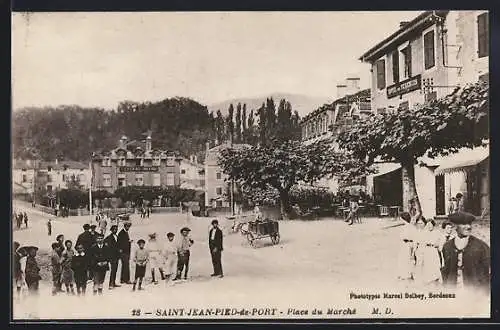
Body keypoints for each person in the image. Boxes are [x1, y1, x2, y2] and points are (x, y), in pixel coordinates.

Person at [442, 212, 490, 293]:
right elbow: (446, 272)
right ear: (455, 227)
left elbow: (486, 275)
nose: (468, 227)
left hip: (474, 294)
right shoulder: (447, 246)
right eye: (464, 224)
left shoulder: (481, 246)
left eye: (469, 224)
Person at [414, 219, 442, 285]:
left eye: (431, 224)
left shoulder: (437, 232)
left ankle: (436, 278)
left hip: (433, 249)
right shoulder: (424, 233)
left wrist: (438, 243)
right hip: (427, 250)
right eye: (428, 225)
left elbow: (442, 239)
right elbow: (420, 242)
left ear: (433, 225)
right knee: (427, 264)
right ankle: (428, 279)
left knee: (435, 263)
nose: (429, 226)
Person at [397, 212, 416, 281]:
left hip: (407, 244)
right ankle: (405, 273)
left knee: (407, 258)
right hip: (406, 244)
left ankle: (407, 274)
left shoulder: (406, 227)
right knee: (405, 258)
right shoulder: (410, 227)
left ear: (403, 219)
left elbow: (403, 237)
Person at [104, 225, 121, 289]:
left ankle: (113, 283)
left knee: (115, 270)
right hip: (112, 256)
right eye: (114, 229)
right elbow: (108, 246)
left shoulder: (117, 236)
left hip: (116, 256)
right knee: (113, 270)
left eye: (116, 229)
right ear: (111, 230)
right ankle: (110, 284)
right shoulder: (109, 237)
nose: (115, 230)